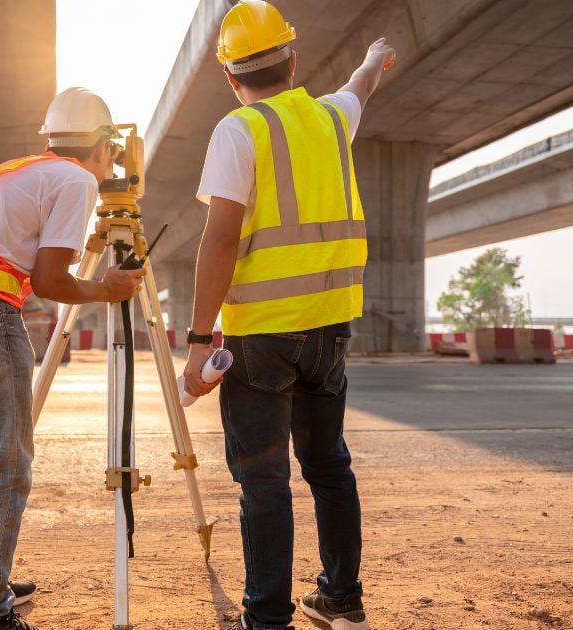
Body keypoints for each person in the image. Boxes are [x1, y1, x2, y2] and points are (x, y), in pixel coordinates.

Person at [179, 1, 396, 629]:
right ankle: (342, 600)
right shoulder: (330, 118)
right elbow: (359, 88)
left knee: (264, 479)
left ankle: (269, 618)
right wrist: (372, 58)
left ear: (230, 76)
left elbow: (221, 238)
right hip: (330, 330)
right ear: (292, 61)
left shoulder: (239, 130)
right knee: (328, 465)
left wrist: (198, 341)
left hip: (261, 337)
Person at [0, 87, 145, 630]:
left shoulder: (16, 171)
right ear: (102, 145)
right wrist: (107, 289)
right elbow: (51, 280)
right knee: (5, 462)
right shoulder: (76, 180)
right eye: (111, 151)